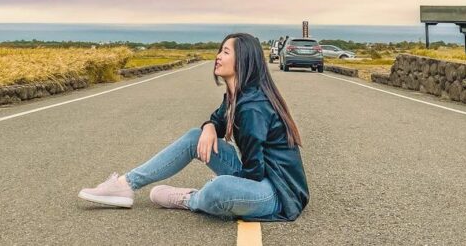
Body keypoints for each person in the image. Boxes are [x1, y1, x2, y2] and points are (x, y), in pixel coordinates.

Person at [78, 32, 310, 221]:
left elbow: (253, 173)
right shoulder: (236, 95)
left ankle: (192, 199)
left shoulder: (253, 107)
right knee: (194, 136)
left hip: (277, 193)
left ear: (244, 59)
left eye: (226, 52)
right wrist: (209, 128)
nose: (218, 56)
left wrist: (228, 185)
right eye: (220, 50)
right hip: (259, 179)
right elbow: (217, 120)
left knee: (220, 188)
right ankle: (125, 185)